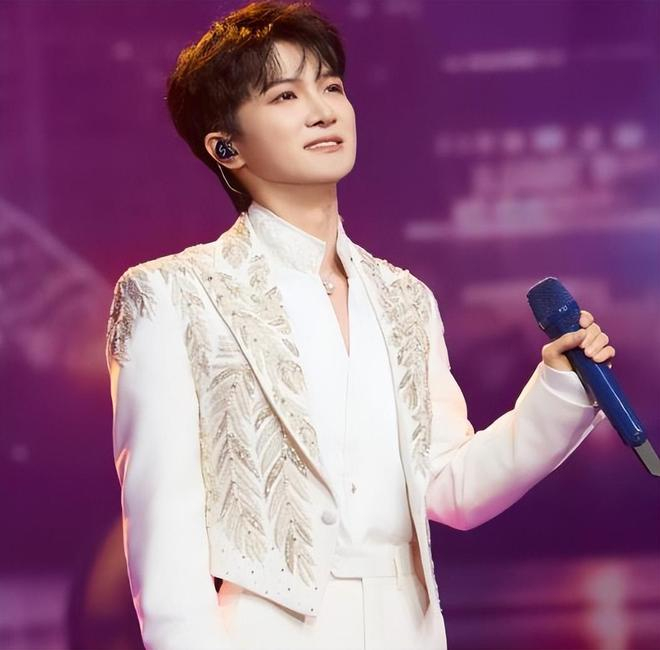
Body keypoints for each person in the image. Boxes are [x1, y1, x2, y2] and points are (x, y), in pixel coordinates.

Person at [104, 2, 615, 649]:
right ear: (225, 146)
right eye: (285, 95)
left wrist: (561, 387)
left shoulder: (404, 298)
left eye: (331, 87)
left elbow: (451, 488)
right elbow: (164, 534)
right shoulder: (171, 295)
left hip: (409, 629)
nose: (323, 110)